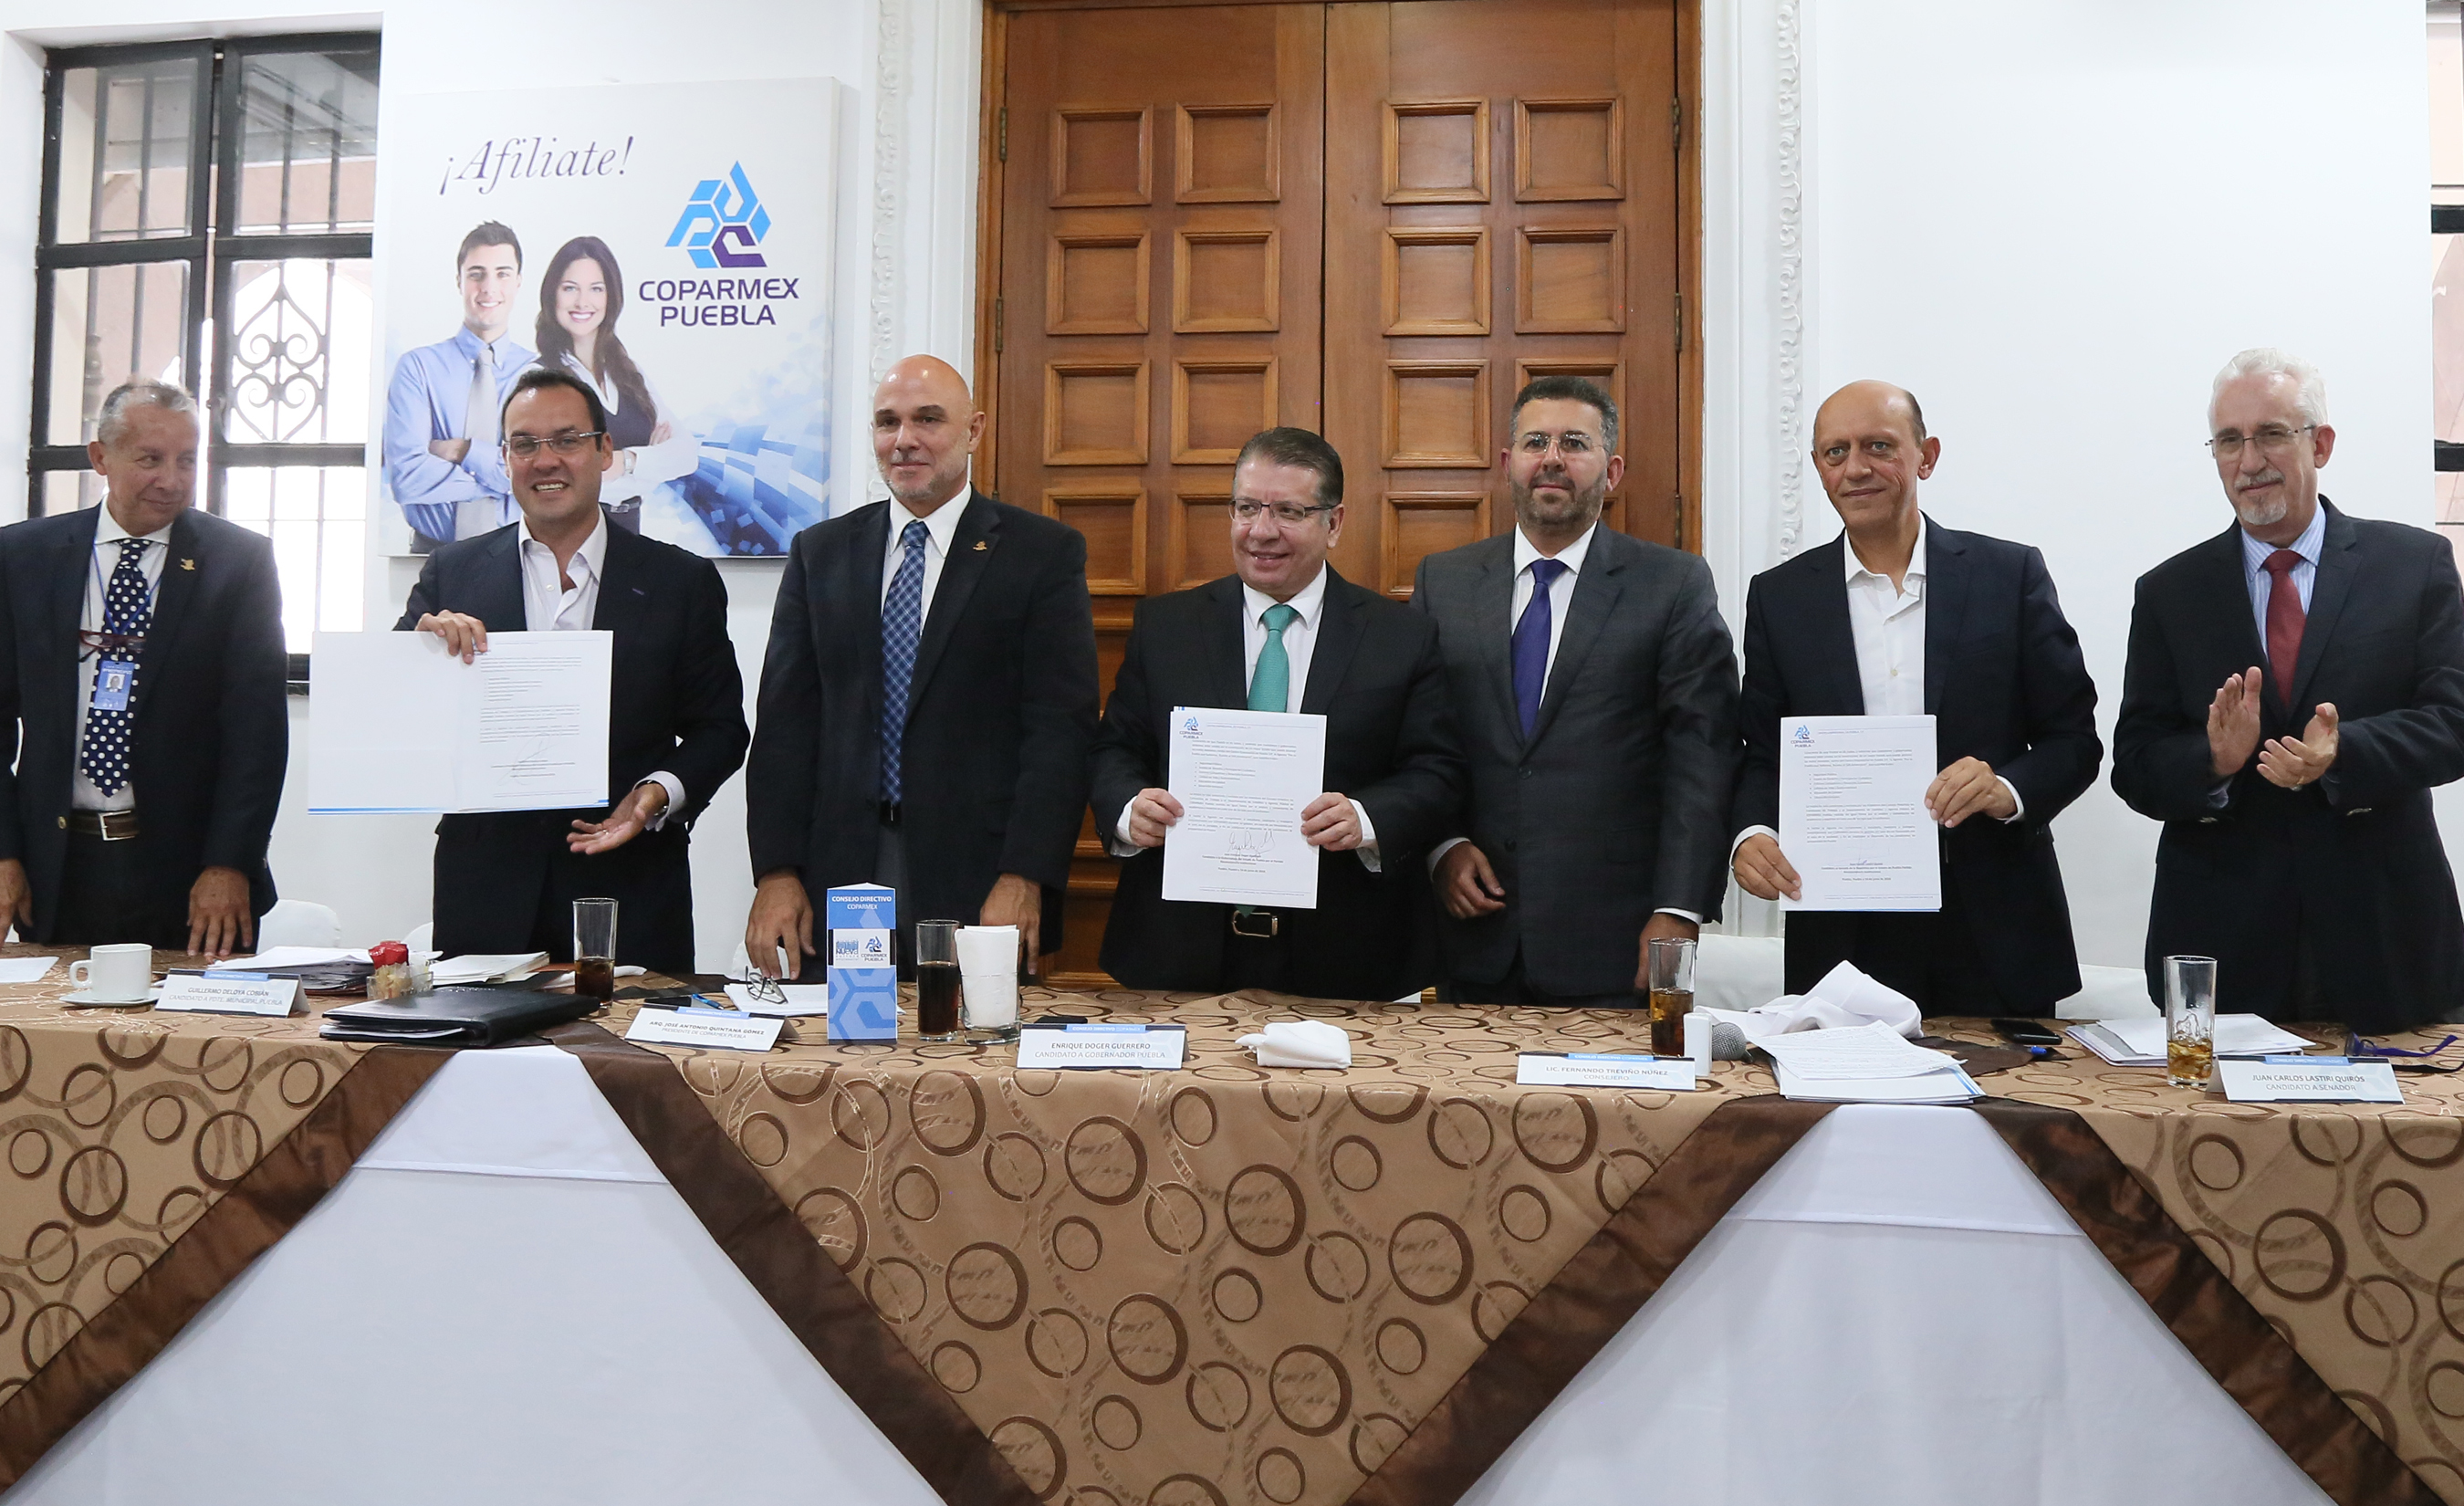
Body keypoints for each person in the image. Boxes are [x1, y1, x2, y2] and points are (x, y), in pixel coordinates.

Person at [2114, 349, 2464, 1032]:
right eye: (2229, 440)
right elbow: (2135, 765)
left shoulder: (2412, 565)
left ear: (2320, 444)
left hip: (2386, 938)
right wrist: (2213, 761)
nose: (2249, 461)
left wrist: (2344, 751)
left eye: (2271, 434)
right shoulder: (2169, 593)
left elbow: (2453, 723)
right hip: (2223, 942)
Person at [1731, 381, 2102, 1012]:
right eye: (1836, 452)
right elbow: (1762, 752)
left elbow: (2074, 740)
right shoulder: (1780, 597)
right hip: (1841, 930)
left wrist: (2007, 789)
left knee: (2007, 1083)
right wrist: (1752, 833)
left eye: (1878, 446)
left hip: (1995, 926)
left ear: (1925, 456)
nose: (1856, 468)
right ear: (1819, 468)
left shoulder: (2009, 575)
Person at [745, 356, 1096, 978]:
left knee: (968, 1037)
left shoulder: (1040, 554)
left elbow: (1059, 731)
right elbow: (783, 726)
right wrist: (776, 872)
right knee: (846, 1037)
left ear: (974, 431)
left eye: (928, 419)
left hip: (980, 879)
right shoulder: (821, 552)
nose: (904, 439)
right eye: (888, 422)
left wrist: (1025, 874)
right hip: (841, 874)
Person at [398, 366, 747, 977]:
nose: (545, 460)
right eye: (525, 444)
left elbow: (720, 730)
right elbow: (397, 713)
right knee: (478, 1042)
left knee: (631, 1043)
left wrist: (654, 795)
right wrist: (421, 655)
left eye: (567, 440)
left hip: (632, 887)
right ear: (505, 458)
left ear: (605, 451)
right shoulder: (451, 574)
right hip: (485, 891)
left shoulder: (680, 582)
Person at [1093, 427, 1463, 999]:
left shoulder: (1401, 637)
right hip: (1179, 952)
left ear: (1334, 524)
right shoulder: (1167, 627)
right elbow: (1114, 748)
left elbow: (1438, 771)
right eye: (1247, 508)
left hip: (1348, 954)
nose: (1261, 531)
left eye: (1289, 512)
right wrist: (1128, 809)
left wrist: (1367, 818)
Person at [1411, 376, 1738, 1006]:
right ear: (1508, 463)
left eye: (1575, 443)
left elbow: (1703, 754)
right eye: (1535, 442)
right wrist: (1442, 846)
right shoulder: (1443, 582)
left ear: (1611, 472)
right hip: (1471, 934)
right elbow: (1421, 740)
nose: (1552, 458)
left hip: (1617, 940)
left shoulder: (1672, 584)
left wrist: (1679, 908)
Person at [0, 382, 287, 956]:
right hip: (55, 869)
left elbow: (256, 733)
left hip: (189, 875)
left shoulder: (238, 562)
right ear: (100, 457)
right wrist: (4, 851)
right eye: (150, 459)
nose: (172, 480)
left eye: (187, 460)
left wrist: (229, 862)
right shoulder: (22, 557)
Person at [530, 236, 696, 533]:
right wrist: (651, 464)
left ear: (611, 296)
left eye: (596, 288)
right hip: (570, 532)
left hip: (631, 530)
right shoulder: (539, 379)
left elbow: (686, 455)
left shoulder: (628, 373)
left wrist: (626, 461)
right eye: (570, 288)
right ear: (552, 294)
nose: (583, 302)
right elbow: (558, 474)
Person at [384, 222, 534, 549]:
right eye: (477, 274)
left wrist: (462, 451)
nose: (489, 288)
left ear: (518, 282)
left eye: (503, 274)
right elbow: (407, 478)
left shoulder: (540, 375)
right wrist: (506, 481)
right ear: (459, 281)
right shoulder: (418, 368)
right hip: (430, 555)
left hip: (520, 554)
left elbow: (539, 474)